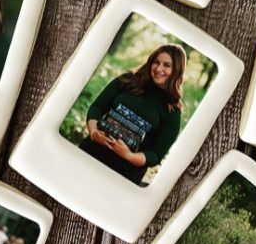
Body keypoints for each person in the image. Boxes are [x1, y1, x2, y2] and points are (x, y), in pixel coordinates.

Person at [79, 44, 186, 185]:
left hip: (123, 174)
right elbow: (97, 108)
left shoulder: (172, 110)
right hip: (91, 151)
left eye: (167, 65)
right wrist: (93, 132)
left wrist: (129, 155)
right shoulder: (127, 80)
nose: (159, 69)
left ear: (176, 70)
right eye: (156, 62)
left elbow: (155, 155)